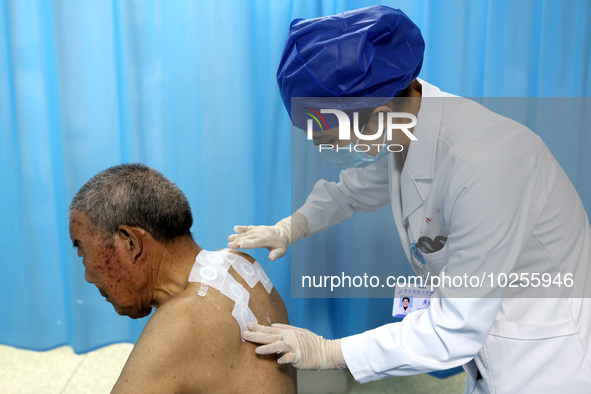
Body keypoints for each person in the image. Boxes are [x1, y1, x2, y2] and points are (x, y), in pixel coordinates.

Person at [228, 5, 591, 393]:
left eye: (329, 139)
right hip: (489, 354)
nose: (322, 147)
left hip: (547, 363)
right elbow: (350, 190)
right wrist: (290, 227)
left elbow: (454, 329)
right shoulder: (407, 127)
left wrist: (328, 351)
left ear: (380, 114)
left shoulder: (490, 165)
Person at [68, 163, 296, 393]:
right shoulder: (242, 264)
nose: (87, 276)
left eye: (83, 253)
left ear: (130, 242)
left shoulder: (181, 322)